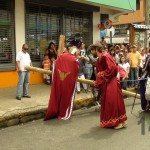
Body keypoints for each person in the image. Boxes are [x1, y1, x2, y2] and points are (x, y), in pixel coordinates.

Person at [90, 44, 127, 129]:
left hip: (112, 82)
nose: (91, 52)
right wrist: (98, 81)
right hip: (106, 83)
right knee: (108, 103)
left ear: (96, 49)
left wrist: (101, 74)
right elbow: (100, 73)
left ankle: (120, 122)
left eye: (92, 50)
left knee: (113, 102)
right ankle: (113, 122)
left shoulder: (106, 56)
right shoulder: (99, 59)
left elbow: (113, 69)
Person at [44, 46, 79, 121]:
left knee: (57, 95)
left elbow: (55, 64)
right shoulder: (75, 59)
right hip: (69, 81)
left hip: (59, 80)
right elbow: (76, 70)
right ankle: (63, 113)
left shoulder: (60, 56)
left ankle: (56, 111)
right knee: (67, 97)